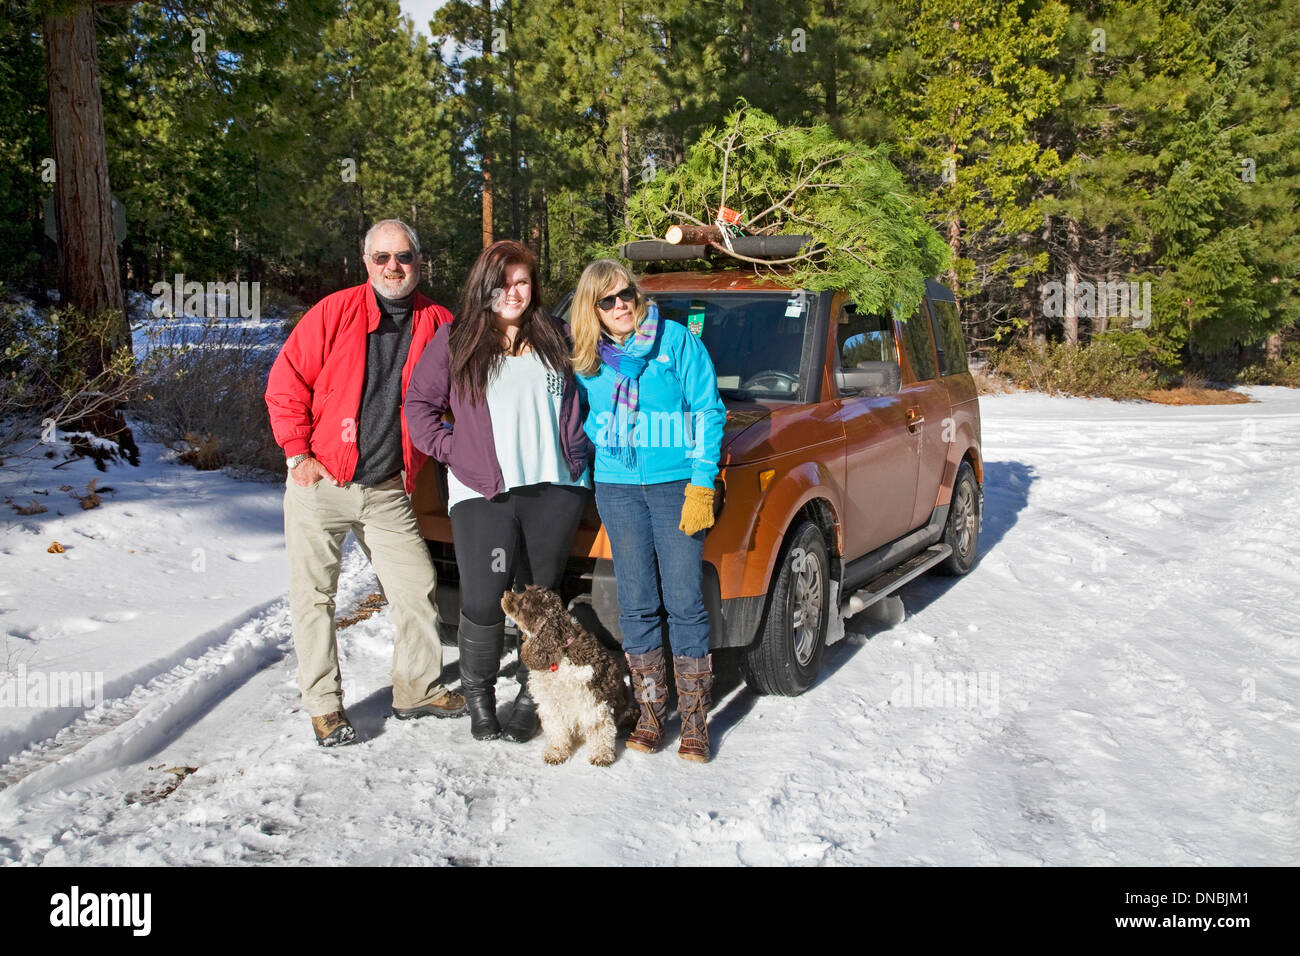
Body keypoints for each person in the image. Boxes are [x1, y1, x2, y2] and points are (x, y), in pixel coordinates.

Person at [265, 218, 466, 747]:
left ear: (418, 262)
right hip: (320, 482)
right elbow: (286, 384)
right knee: (314, 598)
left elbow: (466, 389)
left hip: (386, 490)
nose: (393, 267)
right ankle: (325, 707)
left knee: (417, 588)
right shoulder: (333, 313)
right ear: (366, 262)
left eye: (403, 257)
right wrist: (296, 454)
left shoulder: (439, 322)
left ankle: (417, 690)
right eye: (382, 258)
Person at [405, 240, 591, 742]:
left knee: (541, 600)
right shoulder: (457, 339)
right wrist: (454, 449)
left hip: (556, 487)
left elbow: (597, 392)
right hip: (484, 490)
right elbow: (419, 407)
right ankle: (480, 698)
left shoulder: (558, 334)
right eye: (503, 283)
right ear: (484, 285)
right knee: (485, 600)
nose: (514, 292)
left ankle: (535, 697)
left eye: (523, 282)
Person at [569, 259, 726, 762]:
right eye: (607, 300)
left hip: (675, 485)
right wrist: (597, 437)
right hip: (616, 488)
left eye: (626, 296)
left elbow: (707, 411)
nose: (620, 307)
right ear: (592, 309)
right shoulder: (589, 359)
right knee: (636, 601)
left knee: (684, 600)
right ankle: (652, 711)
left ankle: (696, 720)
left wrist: (702, 483)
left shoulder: (676, 341)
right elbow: (578, 415)